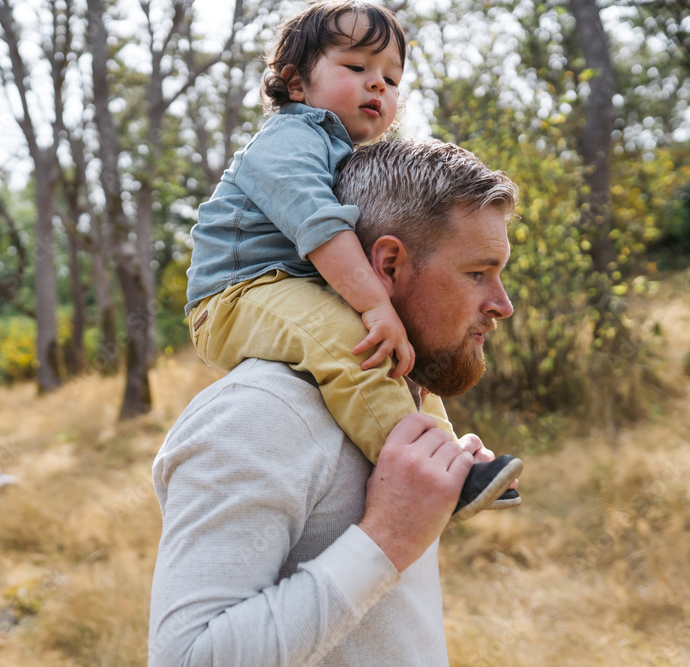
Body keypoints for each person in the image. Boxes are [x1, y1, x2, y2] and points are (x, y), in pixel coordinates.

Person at [150, 137, 521, 664]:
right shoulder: (256, 415)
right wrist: (389, 536)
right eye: (477, 273)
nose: (503, 305)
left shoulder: (401, 398)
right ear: (388, 266)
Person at [184, 0, 521, 510]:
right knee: (354, 340)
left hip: (288, 286)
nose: (378, 85)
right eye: (357, 67)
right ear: (296, 85)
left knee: (399, 349)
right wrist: (376, 305)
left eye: (391, 77)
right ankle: (423, 473)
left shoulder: (341, 153)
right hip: (235, 293)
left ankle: (450, 457)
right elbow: (320, 229)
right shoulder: (288, 139)